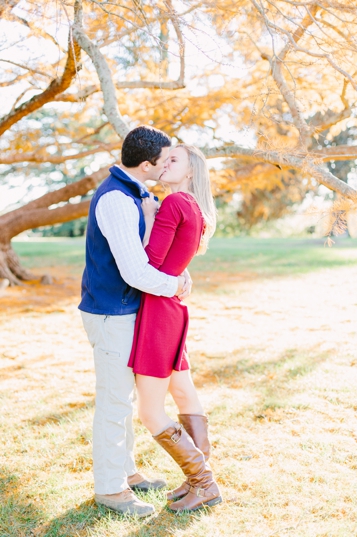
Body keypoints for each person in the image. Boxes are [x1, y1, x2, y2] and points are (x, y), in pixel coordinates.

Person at [79, 125, 190, 517]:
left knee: (122, 398)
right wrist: (174, 285)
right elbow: (134, 271)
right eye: (163, 162)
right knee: (113, 402)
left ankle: (125, 472)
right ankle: (110, 489)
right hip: (110, 313)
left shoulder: (135, 193)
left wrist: (178, 273)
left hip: (124, 311)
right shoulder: (116, 200)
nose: (166, 168)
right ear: (146, 164)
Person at [127, 144, 221, 512]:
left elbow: (149, 263)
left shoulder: (174, 204)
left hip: (158, 312)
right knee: (182, 393)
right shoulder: (194, 208)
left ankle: (203, 481)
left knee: (150, 412)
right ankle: (196, 478)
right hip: (173, 311)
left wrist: (149, 217)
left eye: (174, 160)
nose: (166, 164)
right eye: (165, 159)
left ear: (191, 172)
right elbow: (174, 261)